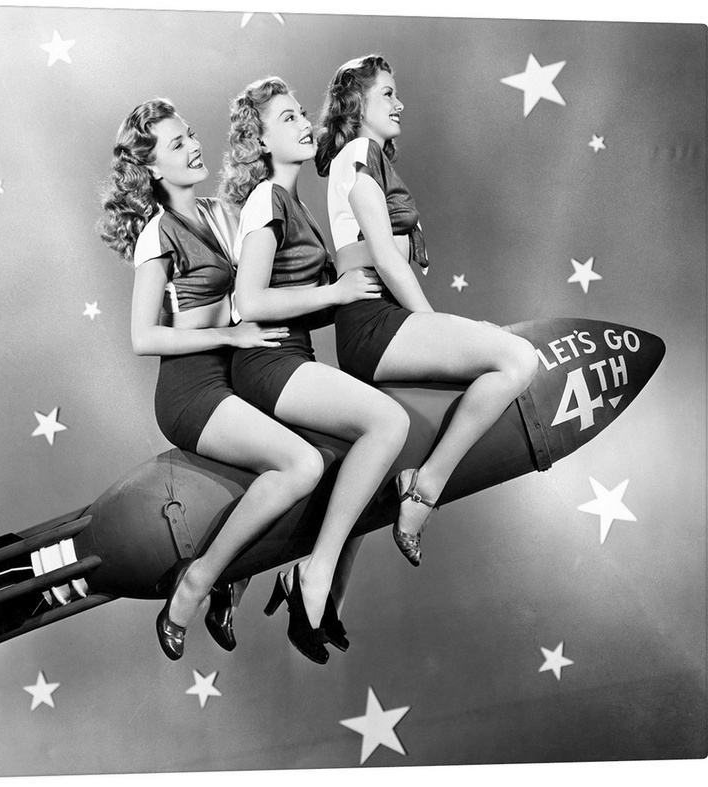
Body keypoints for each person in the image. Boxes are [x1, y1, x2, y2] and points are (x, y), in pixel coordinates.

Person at [97, 98, 326, 661]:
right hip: (192, 391)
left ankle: (235, 581)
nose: (195, 147)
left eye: (192, 135)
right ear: (151, 168)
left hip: (239, 375)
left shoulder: (222, 213)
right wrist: (231, 334)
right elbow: (143, 337)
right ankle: (196, 584)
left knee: (319, 453)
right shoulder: (158, 233)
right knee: (300, 465)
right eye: (177, 144)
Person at [315, 54, 539, 566]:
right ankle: (425, 491)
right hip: (376, 321)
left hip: (376, 321)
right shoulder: (359, 152)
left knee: (383, 463)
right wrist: (432, 322)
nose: (400, 104)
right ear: (357, 104)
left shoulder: (367, 157)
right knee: (518, 359)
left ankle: (312, 584)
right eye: (388, 93)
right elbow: (386, 258)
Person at [218, 77, 410, 665]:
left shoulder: (296, 205)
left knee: (367, 463)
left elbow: (319, 298)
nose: (305, 123)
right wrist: (338, 290)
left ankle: (300, 582)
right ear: (260, 141)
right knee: (386, 424)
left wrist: (374, 275)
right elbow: (251, 301)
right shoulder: (267, 199)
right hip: (267, 362)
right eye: (287, 118)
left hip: (292, 359)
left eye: (303, 113)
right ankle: (312, 574)